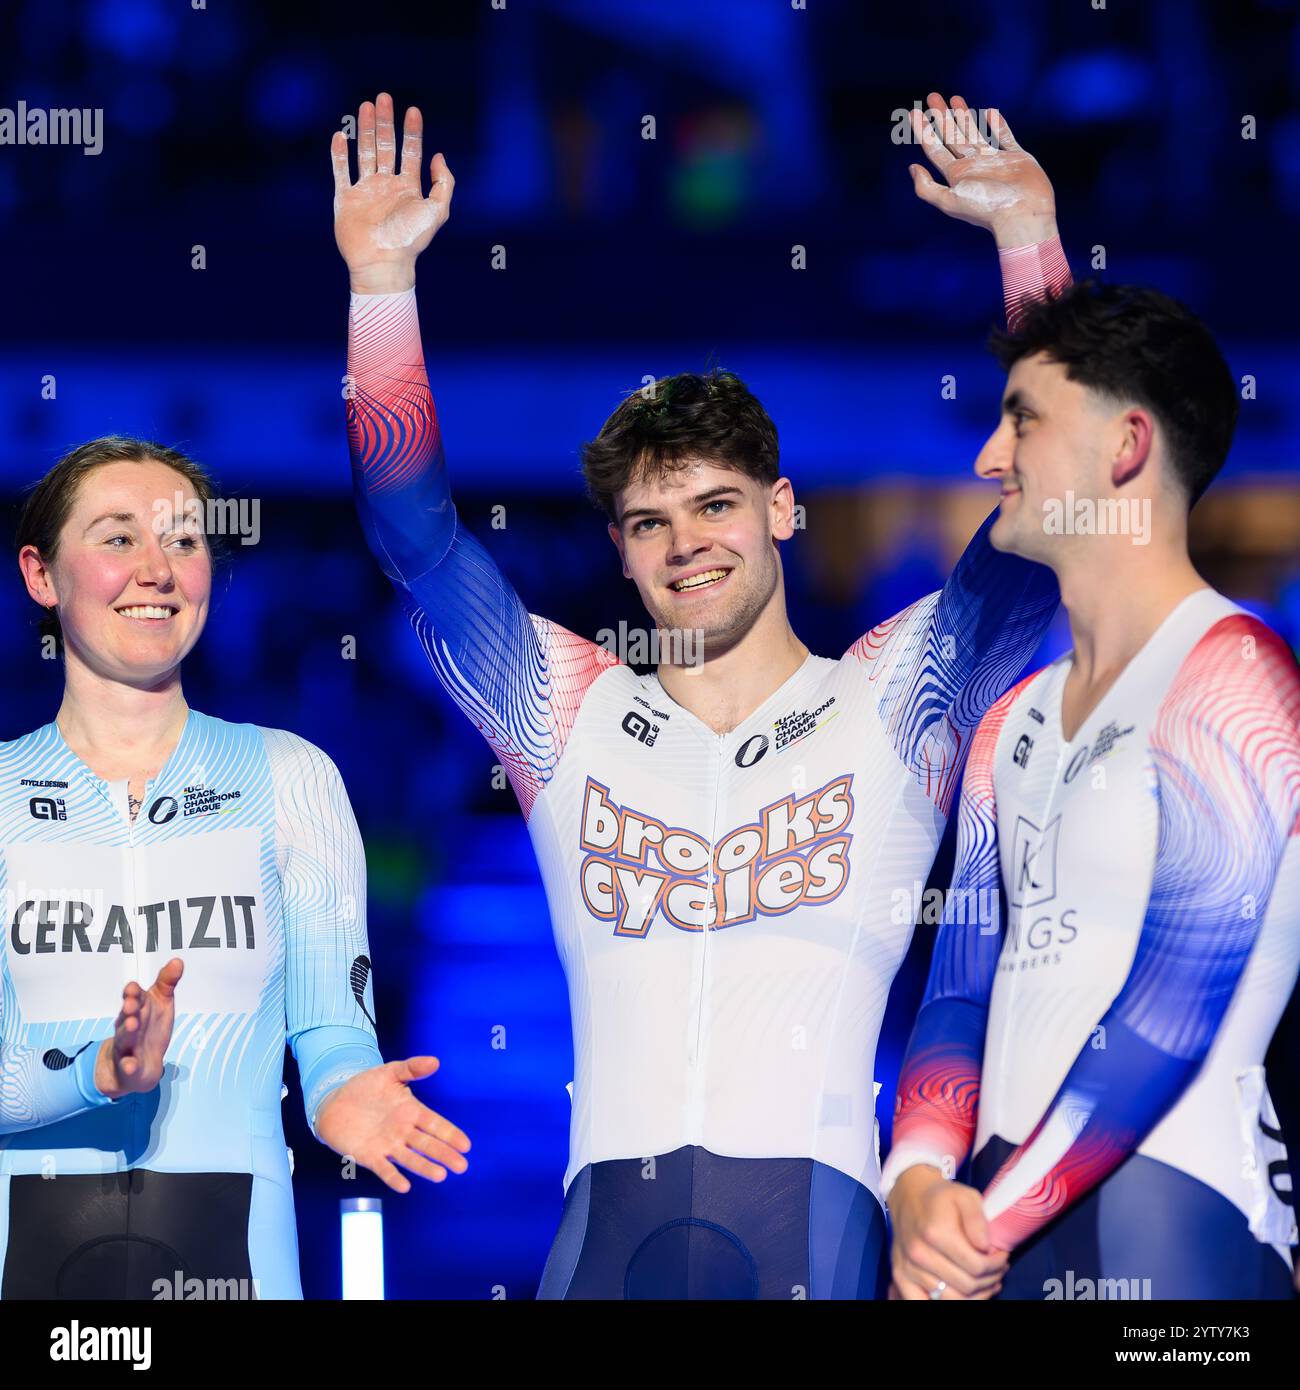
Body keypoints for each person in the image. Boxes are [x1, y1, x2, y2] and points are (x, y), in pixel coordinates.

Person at [334, 89, 1065, 1299]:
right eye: (649, 522)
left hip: (820, 1237)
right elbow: (411, 534)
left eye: (717, 504)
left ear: (781, 509)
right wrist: (379, 283)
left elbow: (1052, 514)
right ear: (619, 552)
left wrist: (1026, 237)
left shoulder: (895, 697)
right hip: (601, 1243)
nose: (687, 544)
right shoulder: (559, 713)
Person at [882, 282, 1300, 1300]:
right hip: (994, 1225)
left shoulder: (1236, 679)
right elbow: (956, 993)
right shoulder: (1005, 721)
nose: (987, 458)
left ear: (1123, 449)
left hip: (1176, 1215)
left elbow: (1169, 1014)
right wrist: (915, 1186)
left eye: (1020, 420)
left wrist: (977, 1225)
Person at [0, 438, 470, 1299]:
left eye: (183, 541)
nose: (158, 569)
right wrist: (98, 1070)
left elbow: (333, 1030)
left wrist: (340, 1090)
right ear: (40, 574)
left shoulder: (291, 777)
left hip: (239, 1269)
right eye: (116, 539)